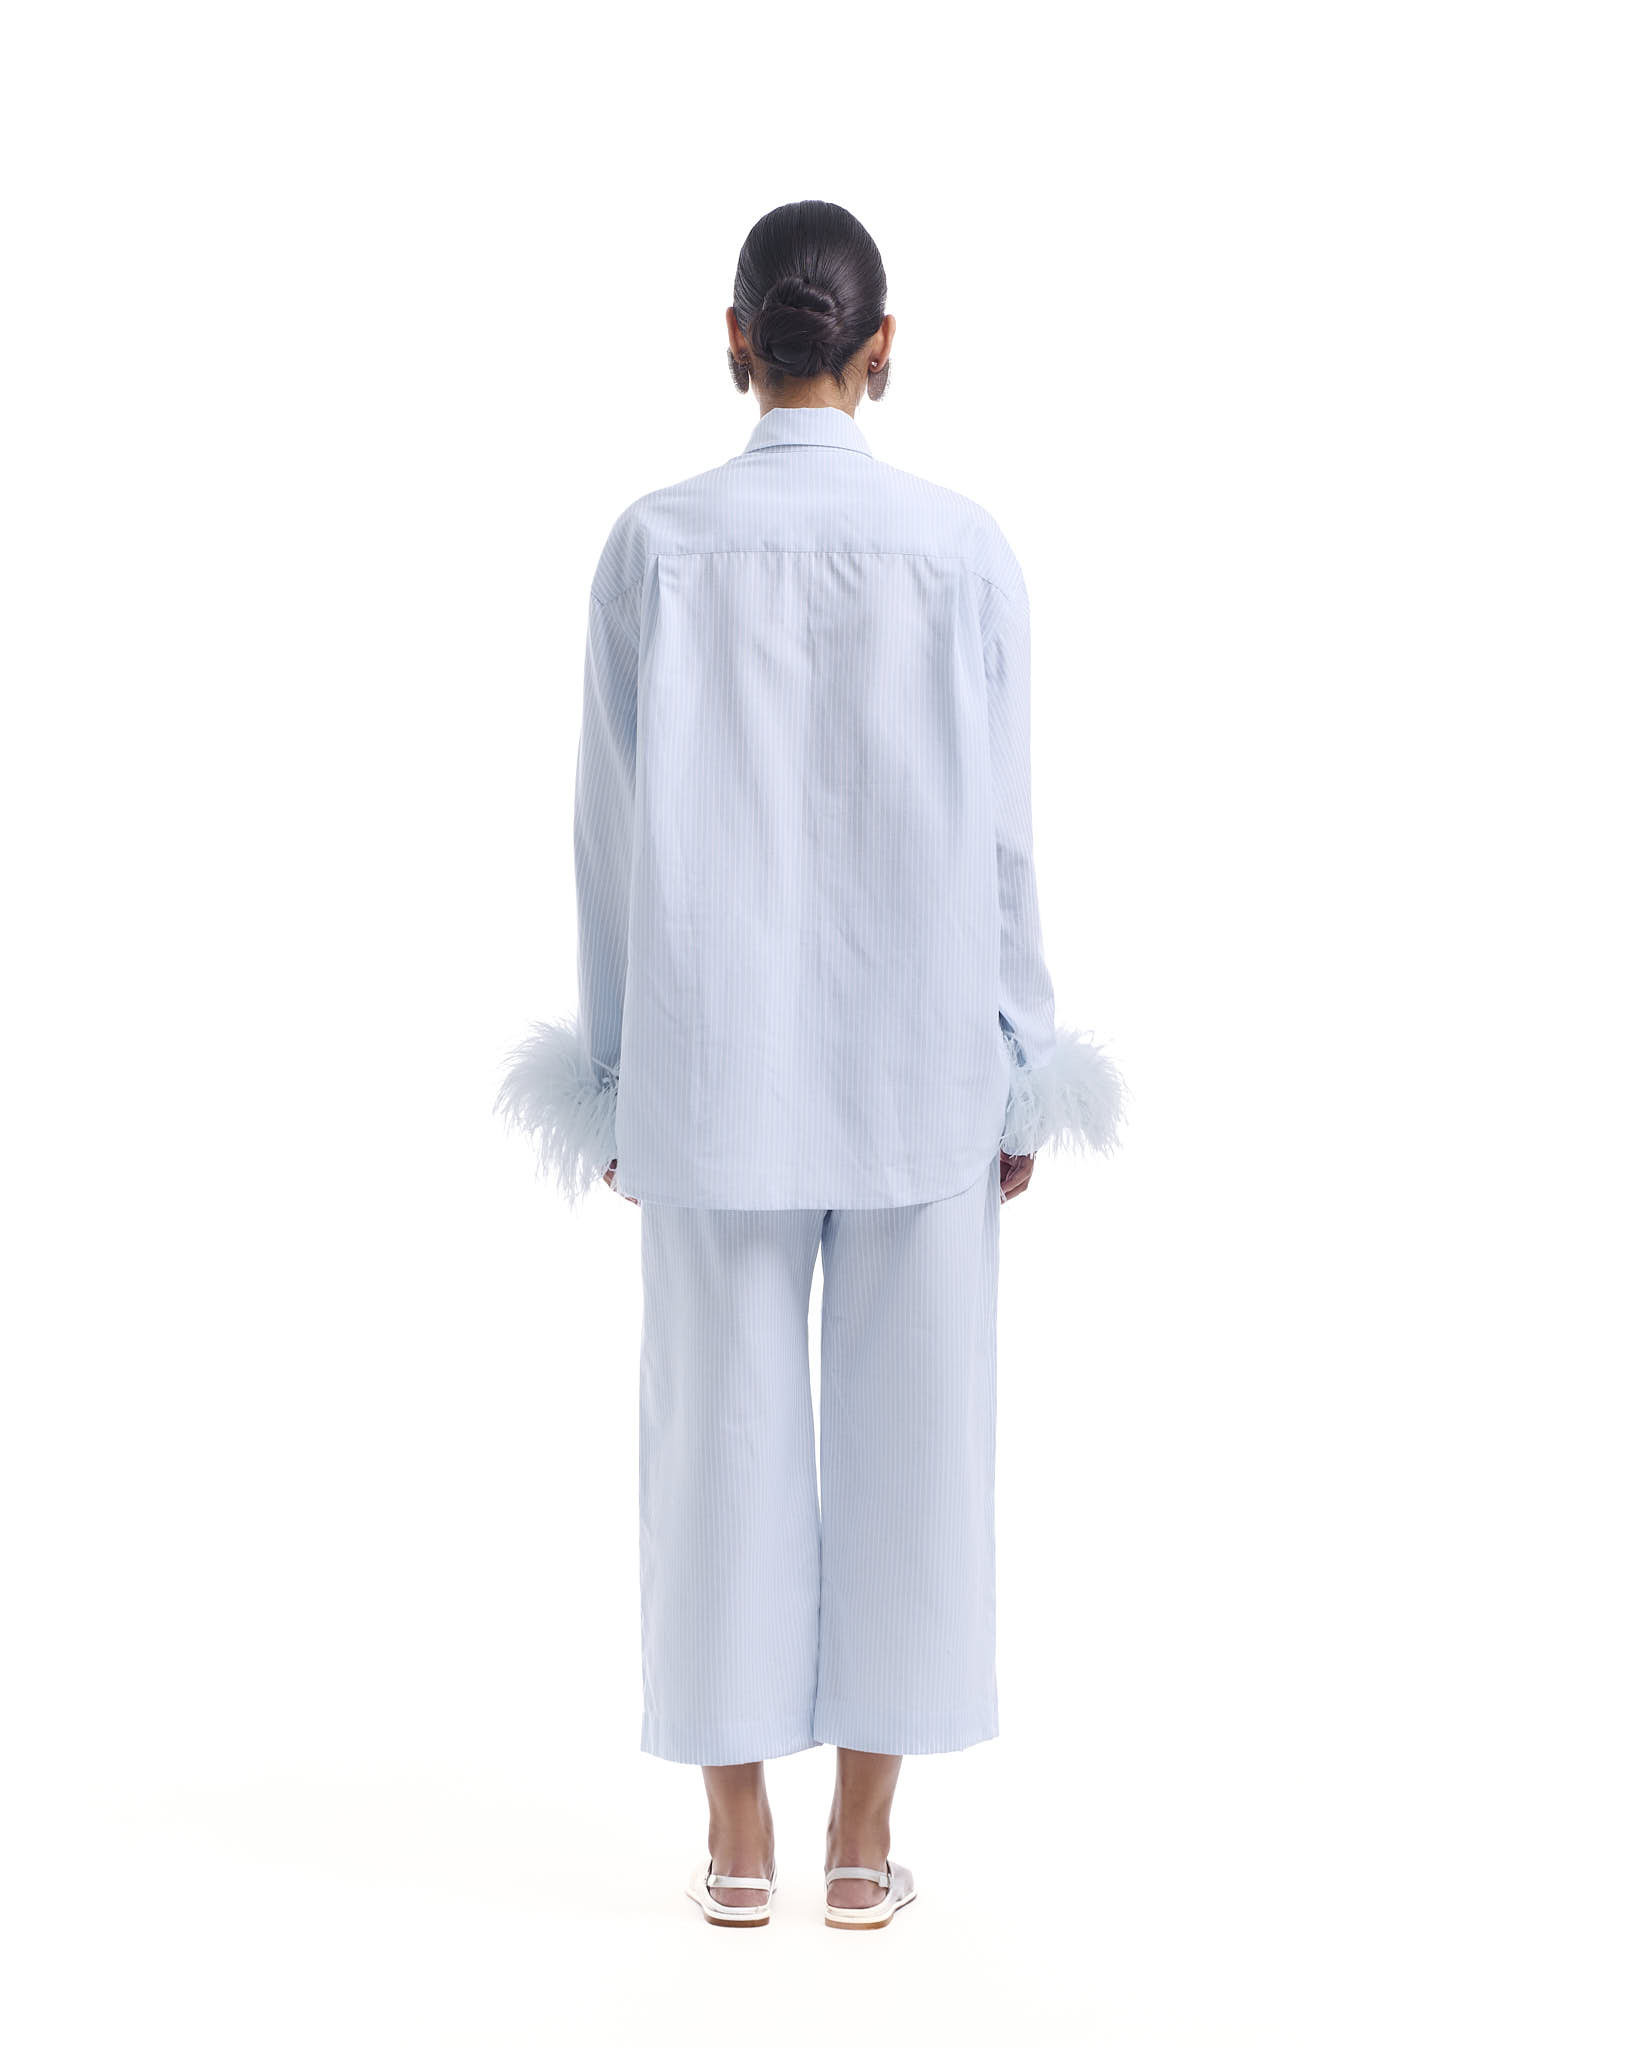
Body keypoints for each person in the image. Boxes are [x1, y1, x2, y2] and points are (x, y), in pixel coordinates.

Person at [498, 199, 1125, 1931]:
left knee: (715, 1439)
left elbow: (609, 835)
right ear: (883, 347)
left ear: (733, 341)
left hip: (712, 1063)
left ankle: (734, 1846)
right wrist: (1021, 1062)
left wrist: (614, 1075)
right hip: (918, 1060)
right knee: (921, 1442)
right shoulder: (962, 550)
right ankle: (861, 1846)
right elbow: (1003, 844)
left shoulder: (655, 546)